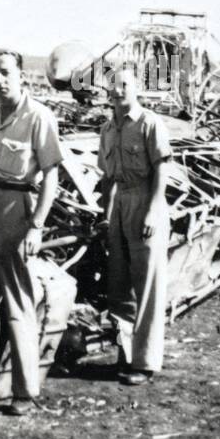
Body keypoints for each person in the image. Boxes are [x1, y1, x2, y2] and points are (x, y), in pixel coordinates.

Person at [0, 48, 65, 416]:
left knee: (18, 302)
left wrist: (37, 224)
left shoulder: (38, 117)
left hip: (15, 210)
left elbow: (51, 174)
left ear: (22, 74)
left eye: (5, 73)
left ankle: (24, 391)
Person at [98, 63, 172, 385]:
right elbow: (108, 178)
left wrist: (154, 211)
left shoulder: (149, 123)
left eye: (124, 85)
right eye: (113, 86)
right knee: (119, 286)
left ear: (136, 87)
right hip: (119, 206)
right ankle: (126, 354)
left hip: (145, 201)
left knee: (147, 287)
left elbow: (162, 170)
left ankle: (145, 362)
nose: (118, 91)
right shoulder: (108, 129)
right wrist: (106, 215)